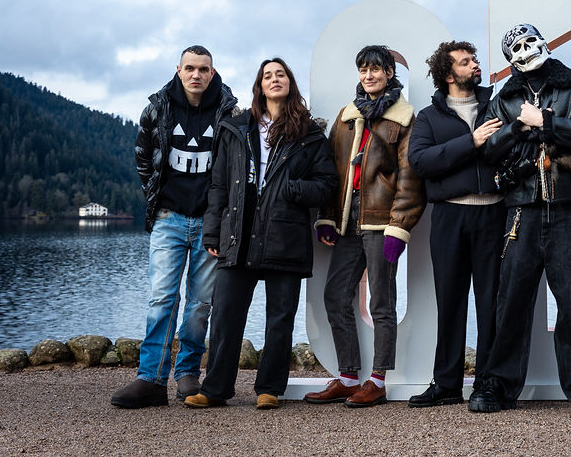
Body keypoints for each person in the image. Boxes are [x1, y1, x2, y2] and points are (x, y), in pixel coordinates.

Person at [467, 23, 571, 419]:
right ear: (509, 58)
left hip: (569, 208)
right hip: (520, 211)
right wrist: (519, 125)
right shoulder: (503, 100)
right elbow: (489, 150)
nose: (526, 49)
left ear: (544, 42)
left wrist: (544, 121)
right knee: (511, 300)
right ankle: (498, 384)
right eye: (517, 46)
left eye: (531, 40)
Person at [183, 58, 337, 410]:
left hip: (286, 235)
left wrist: (293, 189)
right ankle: (215, 389)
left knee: (280, 319)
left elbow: (327, 184)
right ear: (260, 85)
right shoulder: (235, 128)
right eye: (267, 75)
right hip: (239, 234)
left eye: (280, 74)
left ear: (290, 83)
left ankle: (269, 388)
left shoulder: (310, 134)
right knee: (226, 315)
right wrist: (212, 233)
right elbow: (219, 185)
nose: (274, 79)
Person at [112, 45, 237, 408]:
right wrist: (158, 199)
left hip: (210, 222)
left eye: (203, 69)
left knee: (200, 304)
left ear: (212, 73)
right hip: (169, 219)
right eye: (190, 68)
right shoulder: (157, 108)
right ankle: (151, 379)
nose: (196, 74)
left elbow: (233, 167)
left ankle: (187, 374)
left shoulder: (228, 112)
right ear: (178, 70)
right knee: (162, 299)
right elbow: (143, 158)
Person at [305, 45, 426, 408]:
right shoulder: (346, 118)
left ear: (389, 73)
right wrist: (327, 217)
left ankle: (377, 381)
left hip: (381, 222)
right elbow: (332, 171)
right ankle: (347, 378)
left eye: (376, 69)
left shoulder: (404, 119)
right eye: (363, 70)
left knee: (382, 302)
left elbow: (410, 179)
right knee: (335, 295)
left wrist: (399, 228)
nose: (369, 75)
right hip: (347, 221)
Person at [406, 40, 505, 407]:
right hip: (449, 215)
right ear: (448, 75)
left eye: (474, 59)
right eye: (465, 62)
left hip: (494, 213)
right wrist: (471, 141)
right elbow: (420, 162)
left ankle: (487, 385)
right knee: (450, 301)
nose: (474, 65)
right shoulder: (429, 117)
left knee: (491, 302)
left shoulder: (497, 106)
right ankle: (446, 384)